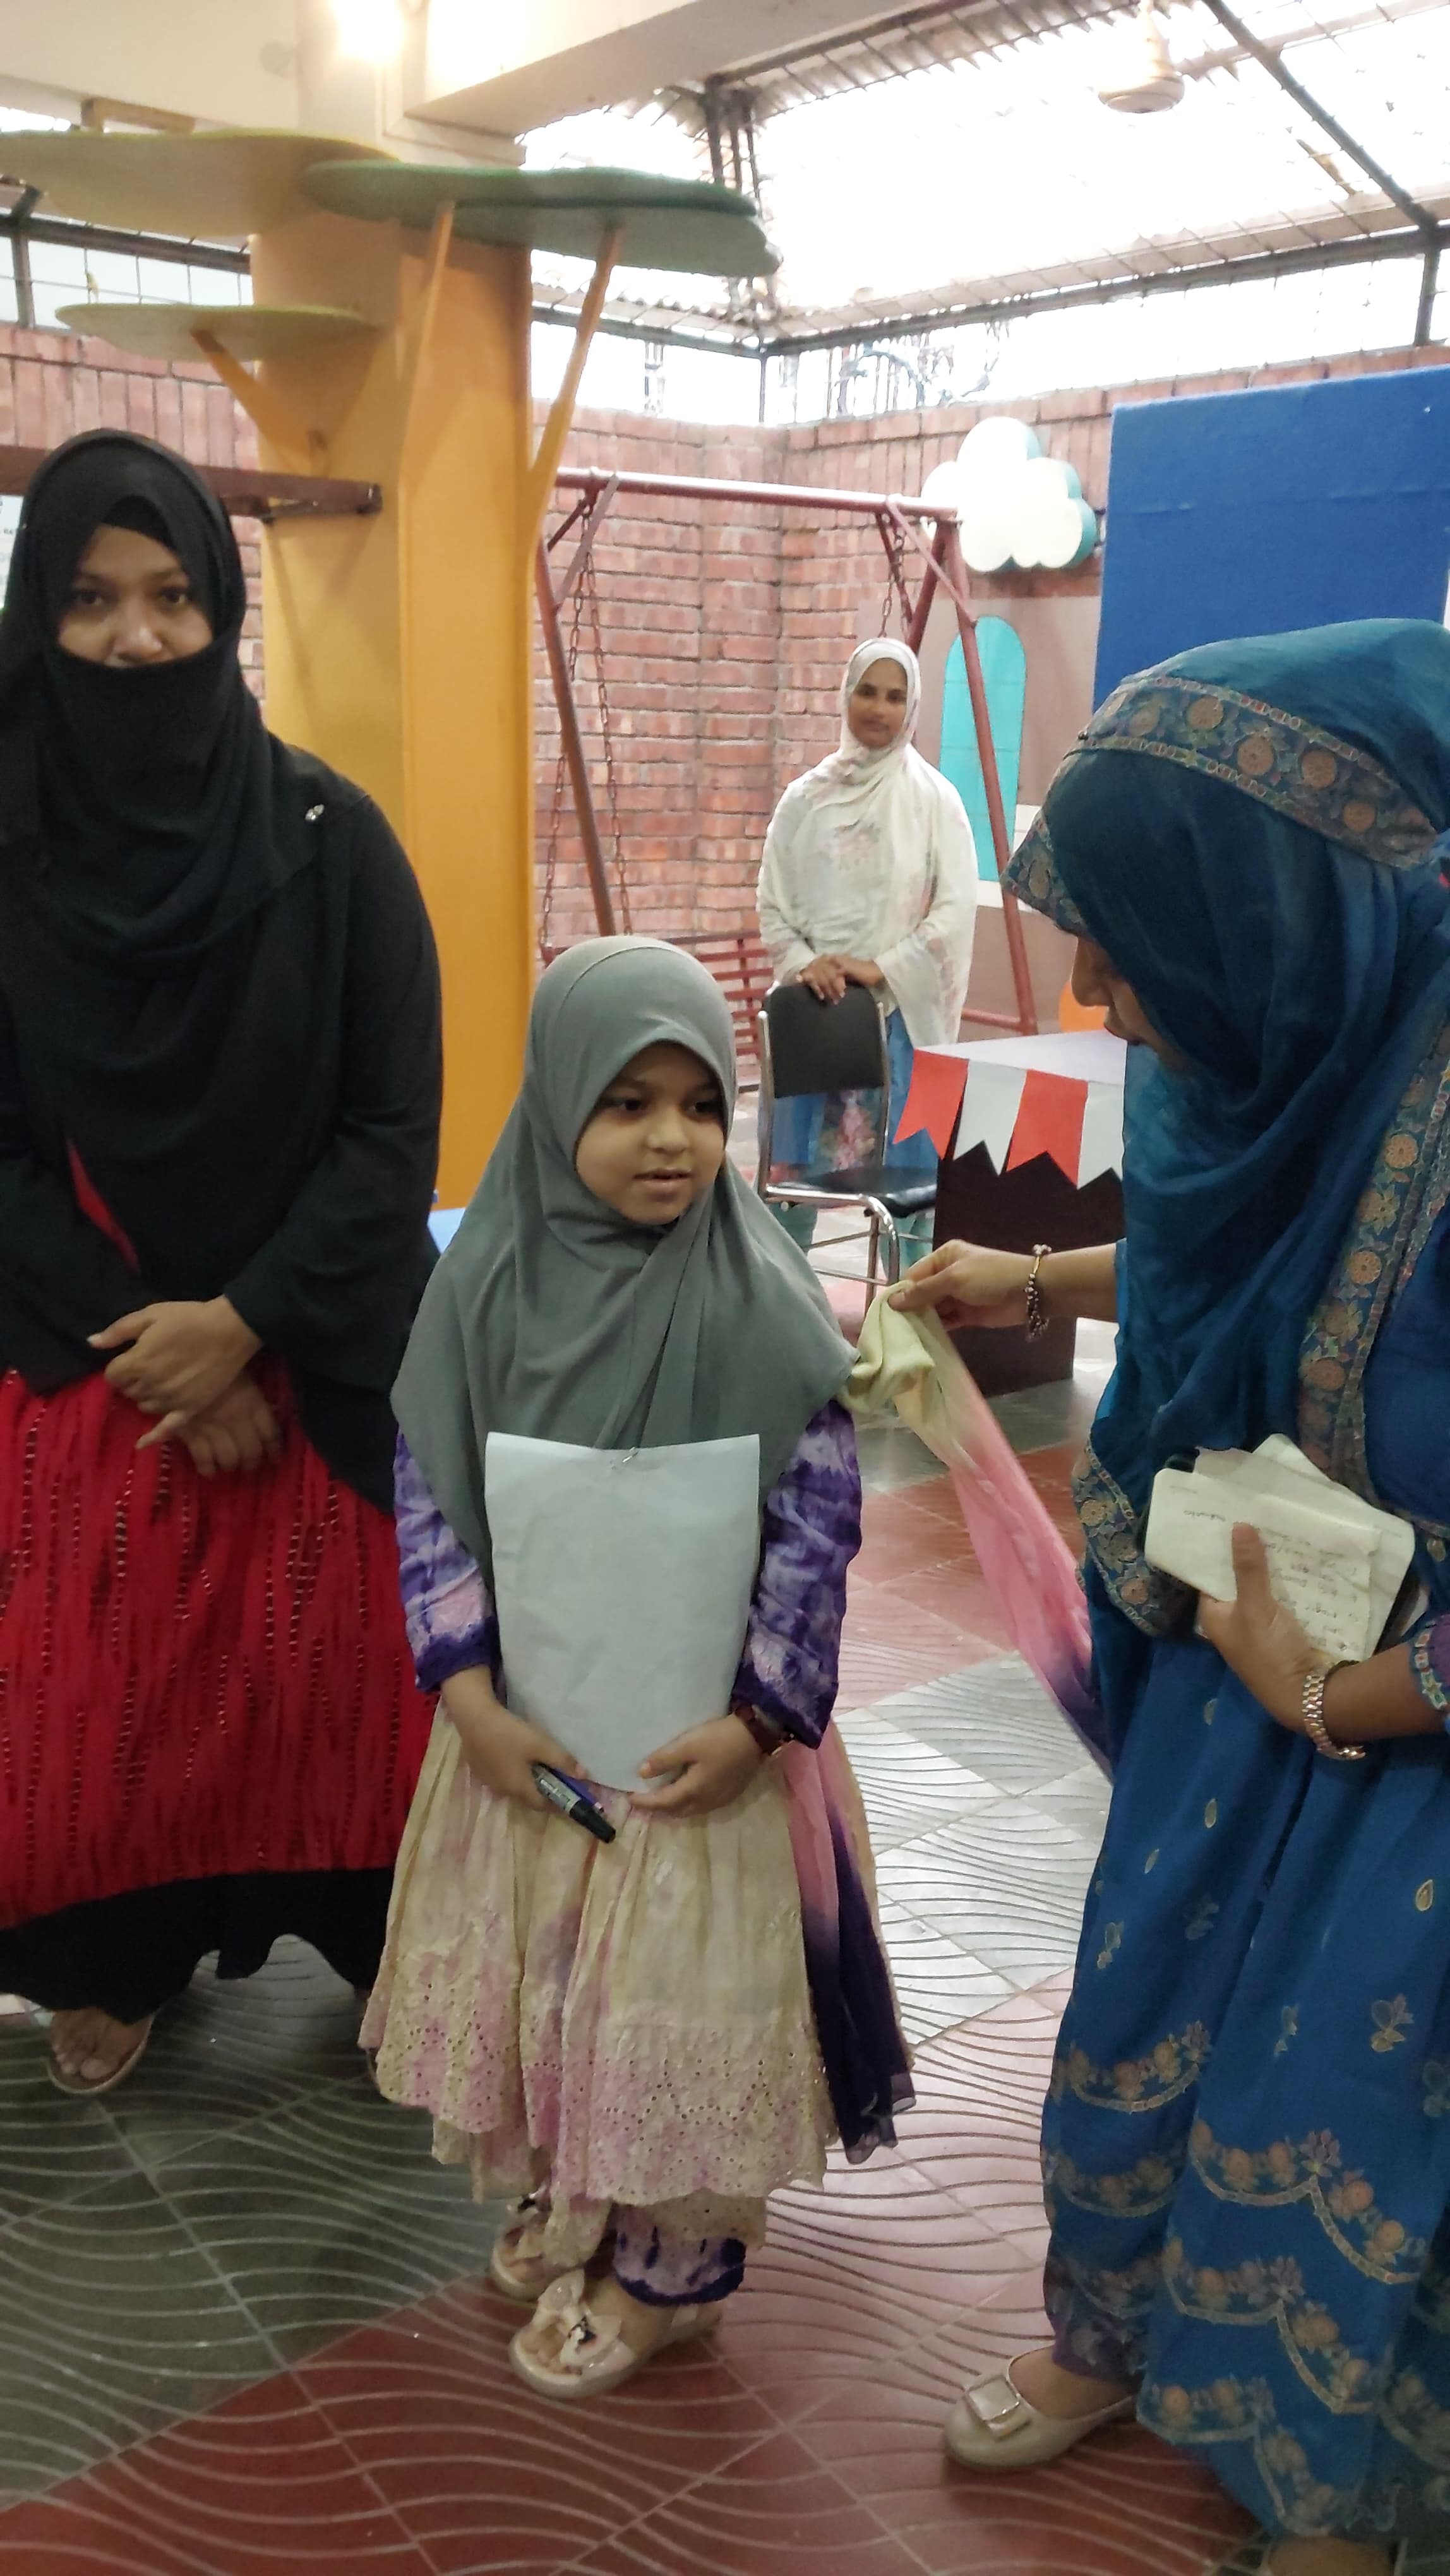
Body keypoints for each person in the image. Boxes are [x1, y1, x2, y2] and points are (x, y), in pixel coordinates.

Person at [892, 619, 1450, 2576]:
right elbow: (1245, 1260)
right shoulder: (1275, 1047)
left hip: (1413, 1722)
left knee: (1356, 2082)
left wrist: (1351, 1695)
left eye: (1136, 947)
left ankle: (1332, 2485)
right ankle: (1115, 2334)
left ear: (1280, 919)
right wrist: (1042, 1279)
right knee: (1149, 1984)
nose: (1098, 1000)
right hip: (1241, 1624)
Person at [365, 936, 911, 2398]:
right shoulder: (483, 1290)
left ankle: (672, 2266)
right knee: (555, 1978)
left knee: (677, 2002)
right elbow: (434, 1499)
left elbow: (816, 1524)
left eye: (701, 1103)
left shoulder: (760, 1296)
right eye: (626, 1102)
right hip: (531, 1745)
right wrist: (468, 1695)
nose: (671, 1137)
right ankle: (584, 2188)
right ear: (555, 1103)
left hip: (702, 1765)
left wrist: (760, 1718)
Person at [0, 431, 441, 2095]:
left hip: (315, 1346)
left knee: (352, 1668)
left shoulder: (334, 842)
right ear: (38, 616)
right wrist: (157, 1344)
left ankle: (389, 1935)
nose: (136, 636)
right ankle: (111, 1951)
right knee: (98, 1668)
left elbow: (392, 1134)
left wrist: (248, 1322)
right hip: (90, 1332)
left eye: (173, 596)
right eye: (91, 598)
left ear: (223, 611)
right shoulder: (7, 856)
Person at [756, 637, 978, 1260]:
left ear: (911, 707)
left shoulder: (935, 802)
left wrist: (879, 967)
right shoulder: (805, 801)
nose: (879, 709)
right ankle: (779, 1307)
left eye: (895, 696)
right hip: (815, 1021)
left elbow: (954, 911)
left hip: (901, 1023)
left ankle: (906, 1311)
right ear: (846, 695)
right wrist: (807, 965)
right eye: (867, 692)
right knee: (789, 1194)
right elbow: (772, 903)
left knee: (909, 1210)